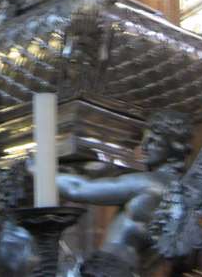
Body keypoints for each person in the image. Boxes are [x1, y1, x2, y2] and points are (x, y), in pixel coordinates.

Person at [56, 110, 192, 274]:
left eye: (153, 141)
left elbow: (77, 189)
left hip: (109, 267)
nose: (144, 146)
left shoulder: (148, 183)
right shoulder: (182, 193)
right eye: (144, 139)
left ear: (173, 147)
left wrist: (40, 170)